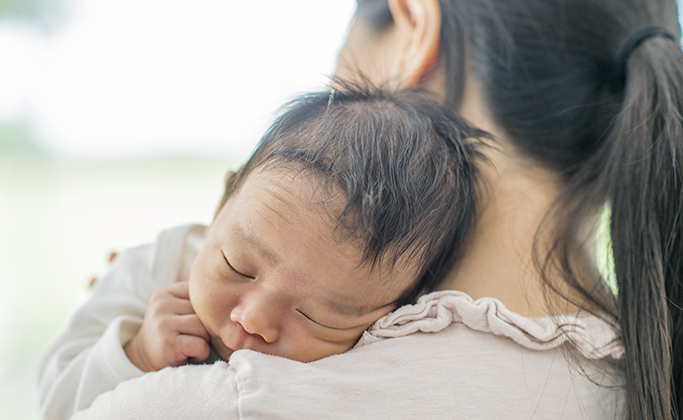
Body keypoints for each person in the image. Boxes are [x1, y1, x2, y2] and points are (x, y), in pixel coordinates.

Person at [53, 0, 683, 419]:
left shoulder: (226, 402)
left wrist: (123, 356)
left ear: (413, 27)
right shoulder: (675, 373)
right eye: (242, 258)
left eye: (327, 312)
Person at [38, 85, 487, 419]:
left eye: (316, 315)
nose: (252, 320)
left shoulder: (394, 350)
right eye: (237, 266)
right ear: (221, 204)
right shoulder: (157, 264)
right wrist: (135, 353)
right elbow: (54, 401)